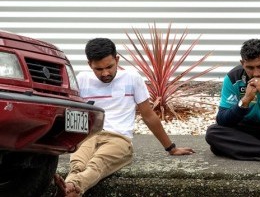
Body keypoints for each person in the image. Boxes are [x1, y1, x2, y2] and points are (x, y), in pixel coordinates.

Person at [54, 38, 194, 197]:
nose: (105, 73)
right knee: (77, 164)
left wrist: (171, 148)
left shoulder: (132, 78)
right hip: (89, 137)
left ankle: (69, 186)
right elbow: (71, 114)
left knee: (97, 163)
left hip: (119, 139)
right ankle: (70, 191)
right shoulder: (82, 79)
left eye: (109, 67)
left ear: (117, 59)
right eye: (98, 69)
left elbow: (149, 116)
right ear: (89, 65)